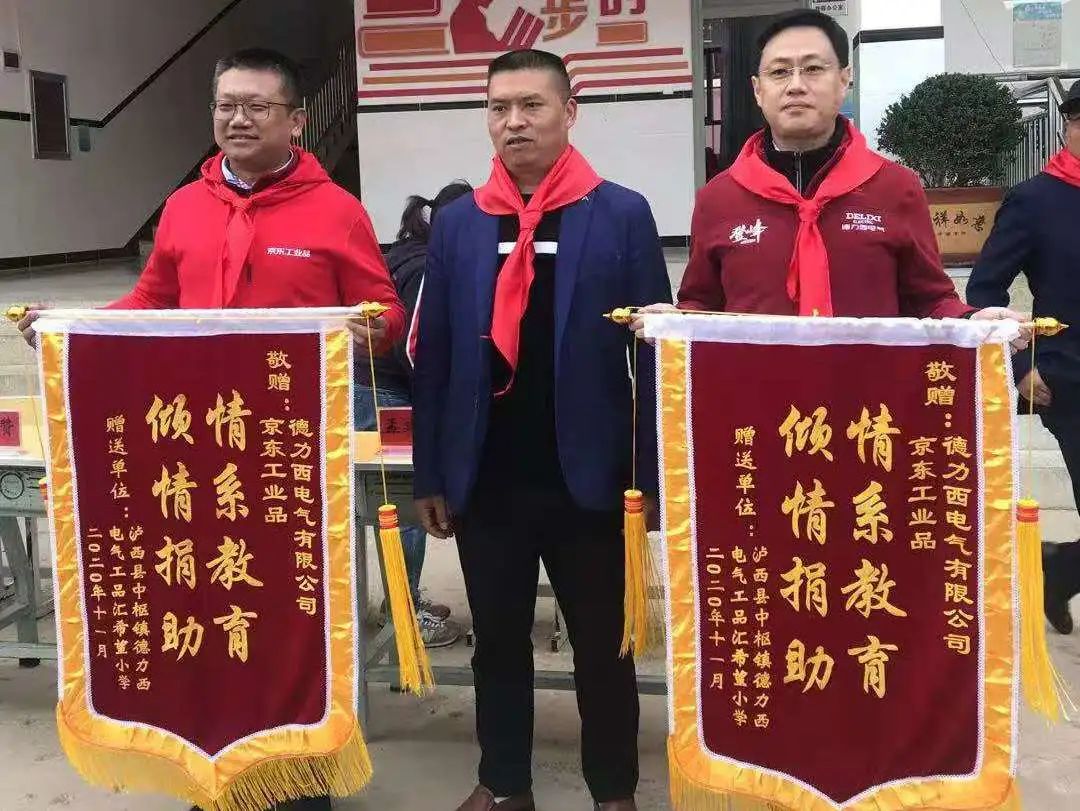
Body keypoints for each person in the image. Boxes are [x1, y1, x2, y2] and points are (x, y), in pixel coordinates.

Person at [19, 47, 404, 811]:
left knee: (291, 620)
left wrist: (370, 330)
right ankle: (215, 773)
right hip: (196, 459)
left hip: (291, 462)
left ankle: (298, 780)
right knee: (209, 610)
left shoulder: (337, 211)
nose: (238, 118)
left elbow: (385, 312)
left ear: (296, 121)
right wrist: (72, 328)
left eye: (257, 106)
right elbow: (150, 303)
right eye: (226, 104)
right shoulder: (185, 208)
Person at [411, 49, 671, 811]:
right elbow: (437, 356)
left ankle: (613, 791)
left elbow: (653, 354)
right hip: (488, 476)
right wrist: (432, 472)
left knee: (604, 647)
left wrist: (649, 476)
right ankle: (503, 784)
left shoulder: (620, 212)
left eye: (531, 105)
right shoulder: (460, 223)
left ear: (569, 112)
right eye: (499, 108)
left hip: (590, 478)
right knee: (498, 642)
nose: (513, 122)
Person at [632, 9, 1024, 330]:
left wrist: (972, 320)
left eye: (813, 69)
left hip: (866, 399)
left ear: (844, 80)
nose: (795, 85)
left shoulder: (894, 187)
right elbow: (702, 305)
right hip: (756, 397)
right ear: (757, 90)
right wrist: (674, 322)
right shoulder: (719, 197)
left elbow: (930, 299)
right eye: (779, 72)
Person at [967, 80, 1080, 635]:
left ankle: (1061, 569)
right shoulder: (1034, 200)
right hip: (1069, 378)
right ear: (1068, 126)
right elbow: (983, 291)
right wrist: (1020, 365)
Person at [357, 181, 473, 648]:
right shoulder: (427, 267)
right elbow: (416, 349)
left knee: (389, 498)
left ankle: (402, 601)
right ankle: (404, 613)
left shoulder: (406, 252)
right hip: (387, 393)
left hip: (372, 384)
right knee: (404, 501)